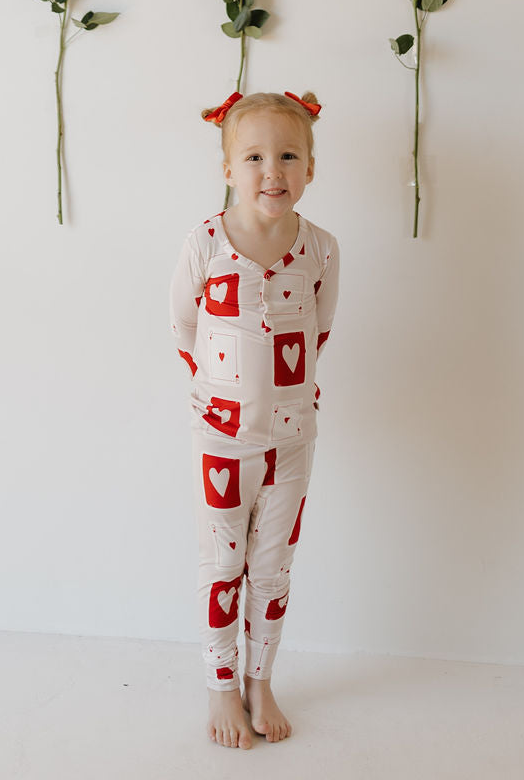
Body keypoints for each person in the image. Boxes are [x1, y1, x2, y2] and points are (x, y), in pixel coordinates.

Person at [169, 90, 339, 748]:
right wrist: (221, 396)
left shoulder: (321, 248)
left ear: (311, 169)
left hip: (293, 442)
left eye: (289, 155)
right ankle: (221, 687)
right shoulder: (205, 243)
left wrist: (284, 401)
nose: (274, 170)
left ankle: (260, 681)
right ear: (228, 169)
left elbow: (320, 330)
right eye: (256, 156)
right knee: (224, 565)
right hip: (221, 440)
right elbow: (184, 325)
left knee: (273, 567)